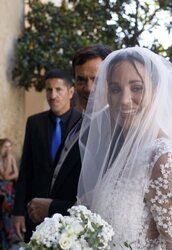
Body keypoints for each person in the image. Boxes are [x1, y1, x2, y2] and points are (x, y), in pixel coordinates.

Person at [77, 47, 172, 249]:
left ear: (156, 91)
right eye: (115, 89)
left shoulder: (164, 159)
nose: (125, 100)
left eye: (137, 88)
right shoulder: (126, 153)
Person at [21, 45, 112, 231]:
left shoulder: (113, 131)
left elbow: (106, 204)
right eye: (81, 80)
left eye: (96, 79)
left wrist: (52, 207)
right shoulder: (79, 122)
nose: (88, 88)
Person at [13, 69, 81, 242]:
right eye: (49, 90)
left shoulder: (83, 123)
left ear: (70, 92)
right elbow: (26, 168)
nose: (53, 95)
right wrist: (18, 212)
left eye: (59, 90)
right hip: (34, 213)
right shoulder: (34, 123)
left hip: (68, 216)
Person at [0, 138, 18, 249]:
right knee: (4, 213)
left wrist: (10, 159)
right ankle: (6, 239)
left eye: (10, 146)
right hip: (2, 190)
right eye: (6, 146)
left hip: (9, 189)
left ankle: (10, 237)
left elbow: (17, 175)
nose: (8, 149)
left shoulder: (12, 158)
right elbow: (6, 176)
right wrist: (8, 160)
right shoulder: (1, 159)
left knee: (9, 213)